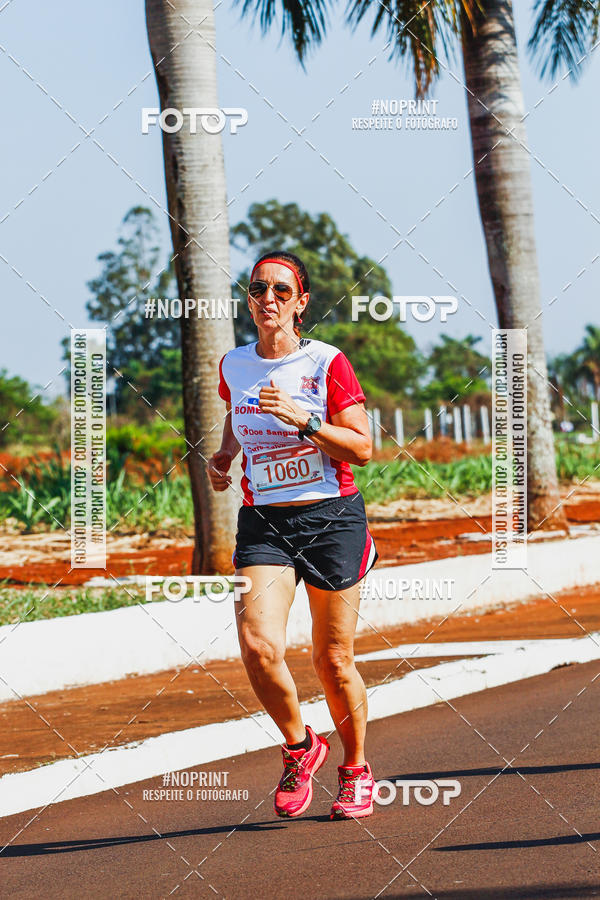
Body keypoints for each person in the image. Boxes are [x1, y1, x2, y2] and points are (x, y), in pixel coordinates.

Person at [208, 250, 378, 820]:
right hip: (265, 522)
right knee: (258, 647)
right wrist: (225, 455)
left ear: (301, 302)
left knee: (332, 660)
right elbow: (236, 415)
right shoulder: (234, 364)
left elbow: (363, 447)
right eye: (259, 289)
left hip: (331, 517)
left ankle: (355, 769)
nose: (269, 299)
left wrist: (303, 420)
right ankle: (301, 746)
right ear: (248, 299)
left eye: (282, 290)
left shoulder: (326, 362)